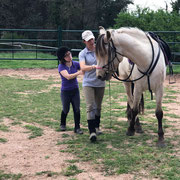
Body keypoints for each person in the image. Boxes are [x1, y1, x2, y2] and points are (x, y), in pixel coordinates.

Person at [78, 30, 105, 142]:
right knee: (90, 106)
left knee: (98, 106)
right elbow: (83, 67)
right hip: (88, 83)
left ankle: (97, 126)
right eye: (89, 40)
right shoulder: (82, 53)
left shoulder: (100, 51)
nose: (92, 41)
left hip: (100, 82)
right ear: (84, 41)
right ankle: (92, 131)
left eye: (92, 39)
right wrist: (94, 67)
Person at [57, 46, 83, 134]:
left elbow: (84, 66)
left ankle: (77, 127)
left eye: (69, 54)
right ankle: (62, 123)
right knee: (66, 109)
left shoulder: (75, 64)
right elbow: (68, 77)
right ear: (63, 58)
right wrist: (79, 72)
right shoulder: (61, 66)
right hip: (65, 91)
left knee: (77, 109)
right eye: (66, 55)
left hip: (75, 90)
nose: (69, 56)